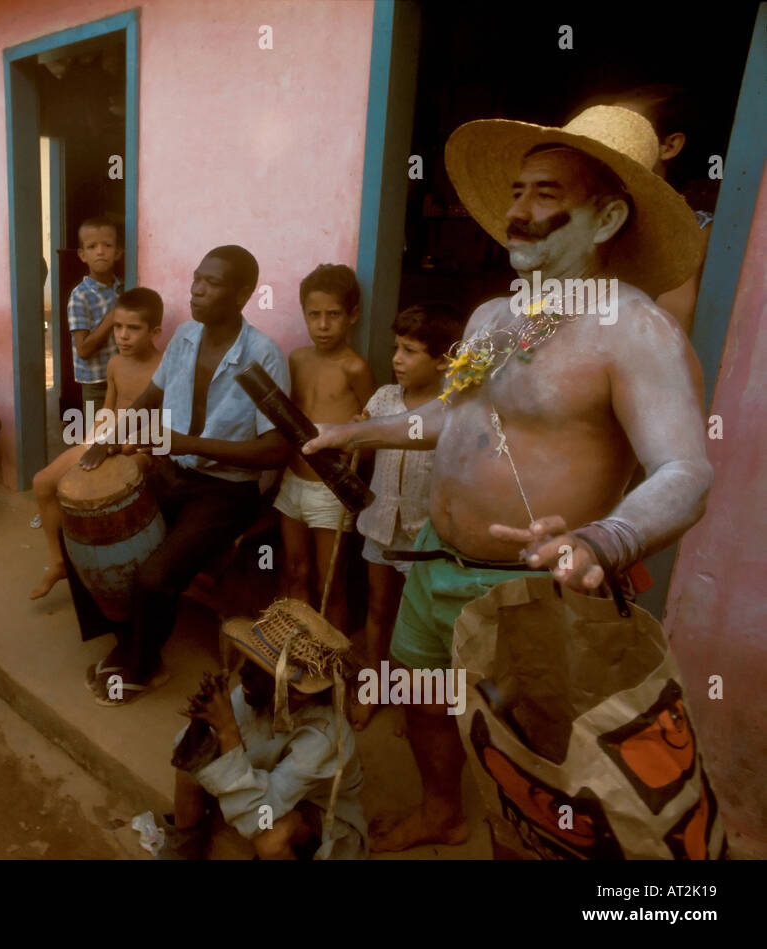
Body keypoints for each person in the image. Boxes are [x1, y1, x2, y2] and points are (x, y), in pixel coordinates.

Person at [304, 105, 711, 851]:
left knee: (533, 759)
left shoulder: (635, 328)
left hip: (529, 592)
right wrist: (358, 432)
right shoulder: (499, 315)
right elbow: (454, 421)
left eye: (546, 195)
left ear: (608, 215)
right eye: (517, 191)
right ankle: (442, 810)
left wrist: (601, 540)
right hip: (433, 562)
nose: (518, 212)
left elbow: (686, 470)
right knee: (425, 701)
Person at [75, 245, 291, 705]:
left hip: (226, 491)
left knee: (154, 576)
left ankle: (144, 665)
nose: (197, 289)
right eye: (196, 278)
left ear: (243, 293)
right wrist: (105, 440)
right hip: (172, 471)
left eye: (211, 283)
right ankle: (124, 637)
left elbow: (277, 449)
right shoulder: (186, 338)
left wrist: (189, 444)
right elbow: (150, 400)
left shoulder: (263, 355)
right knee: (89, 530)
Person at [162, 612, 367, 860]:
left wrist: (228, 731)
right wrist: (201, 724)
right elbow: (186, 753)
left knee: (271, 838)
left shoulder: (322, 738)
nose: (244, 674)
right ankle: (182, 850)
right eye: (248, 662)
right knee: (189, 768)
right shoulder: (257, 694)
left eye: (260, 670)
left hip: (313, 809)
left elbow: (260, 816)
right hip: (271, 786)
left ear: (299, 693)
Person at [347, 303, 464, 730]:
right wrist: (353, 432)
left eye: (410, 351)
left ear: (442, 360)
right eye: (397, 348)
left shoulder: (455, 407)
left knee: (423, 623)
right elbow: (361, 437)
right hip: (382, 525)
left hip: (428, 538)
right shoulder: (384, 398)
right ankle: (377, 687)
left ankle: (416, 703)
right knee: (379, 607)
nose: (397, 359)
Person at [29, 287, 164, 600]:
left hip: (142, 447)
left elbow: (164, 426)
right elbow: (108, 407)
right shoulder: (115, 363)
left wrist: (126, 446)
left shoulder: (165, 369)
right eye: (118, 326)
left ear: (154, 331)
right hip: (109, 437)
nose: (123, 336)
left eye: (133, 328)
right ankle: (59, 562)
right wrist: (95, 438)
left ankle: (113, 578)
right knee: (42, 483)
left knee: (99, 498)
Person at [276, 264, 374, 635]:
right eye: (313, 315)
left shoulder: (356, 368)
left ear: (353, 316)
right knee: (294, 571)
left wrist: (355, 453)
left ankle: (331, 664)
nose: (322, 325)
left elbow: (372, 432)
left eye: (333, 315)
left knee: (330, 581)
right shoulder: (298, 359)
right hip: (292, 482)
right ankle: (297, 653)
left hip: (329, 490)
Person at [606, 86, 712, 333]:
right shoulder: (590, 216)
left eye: (627, 133)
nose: (611, 145)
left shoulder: (692, 230)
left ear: (670, 146)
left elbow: (668, 331)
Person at [68, 215, 124, 416]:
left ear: (117, 252)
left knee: (123, 436)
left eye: (107, 245)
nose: (100, 251)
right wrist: (111, 318)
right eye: (92, 247)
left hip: (124, 378)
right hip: (96, 384)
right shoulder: (80, 296)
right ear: (82, 254)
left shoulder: (123, 288)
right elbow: (83, 350)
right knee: (97, 439)